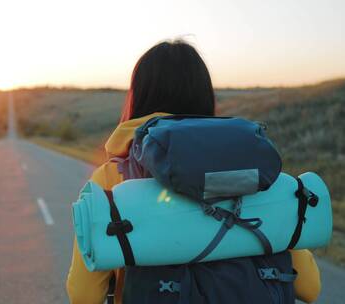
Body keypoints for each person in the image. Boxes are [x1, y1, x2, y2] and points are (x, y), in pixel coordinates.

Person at [65, 40, 321, 304]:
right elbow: (309, 286)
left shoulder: (111, 179)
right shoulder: (253, 171)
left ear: (138, 95)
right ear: (205, 94)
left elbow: (84, 296)